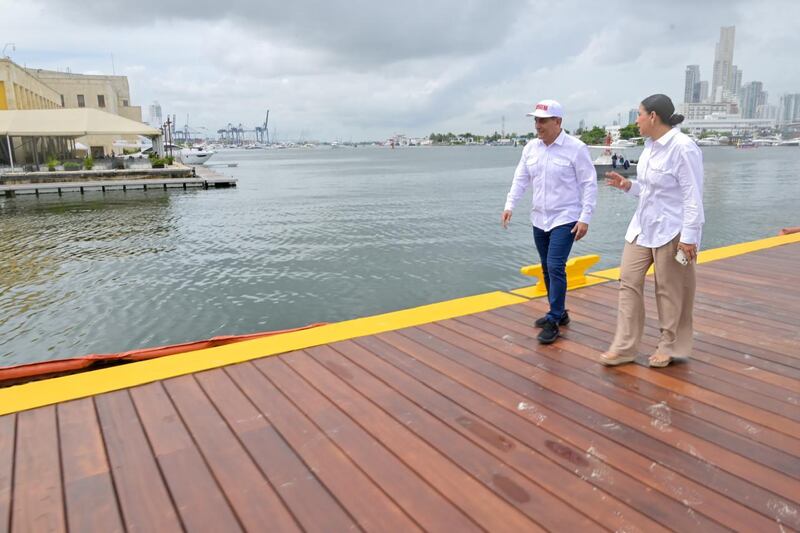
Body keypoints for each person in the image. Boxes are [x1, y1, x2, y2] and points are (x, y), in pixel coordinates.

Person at [600, 94, 704, 367]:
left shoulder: (683, 148)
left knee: (669, 289)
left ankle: (670, 345)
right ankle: (624, 347)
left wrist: (689, 238)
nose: (637, 120)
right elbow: (650, 190)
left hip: (672, 229)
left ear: (653, 116)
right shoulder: (649, 147)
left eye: (639, 114)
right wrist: (628, 186)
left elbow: (693, 196)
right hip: (643, 226)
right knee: (628, 280)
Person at [502, 99, 598, 344]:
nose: (538, 125)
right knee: (546, 266)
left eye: (543, 120)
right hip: (539, 217)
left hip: (566, 217)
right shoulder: (531, 148)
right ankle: (560, 311)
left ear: (558, 121)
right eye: (536, 120)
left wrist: (585, 218)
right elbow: (521, 179)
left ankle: (554, 318)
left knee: (555, 265)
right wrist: (509, 205)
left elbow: (589, 184)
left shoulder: (576, 148)